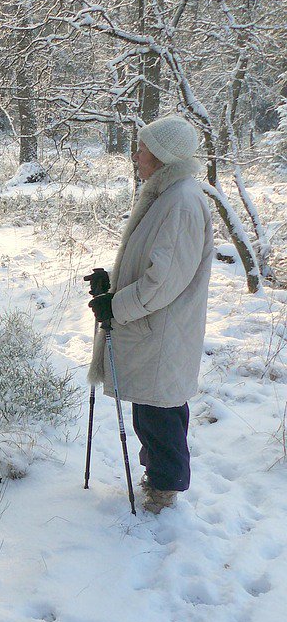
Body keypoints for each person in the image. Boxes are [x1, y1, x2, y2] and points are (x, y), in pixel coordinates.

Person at [87, 115, 213, 514]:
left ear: (161, 156)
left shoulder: (180, 202)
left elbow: (163, 281)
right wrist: (111, 281)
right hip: (154, 329)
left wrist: (116, 306)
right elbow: (154, 265)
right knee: (154, 410)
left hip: (161, 331)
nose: (136, 154)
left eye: (142, 148)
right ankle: (161, 481)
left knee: (159, 416)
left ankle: (163, 493)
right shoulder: (168, 196)